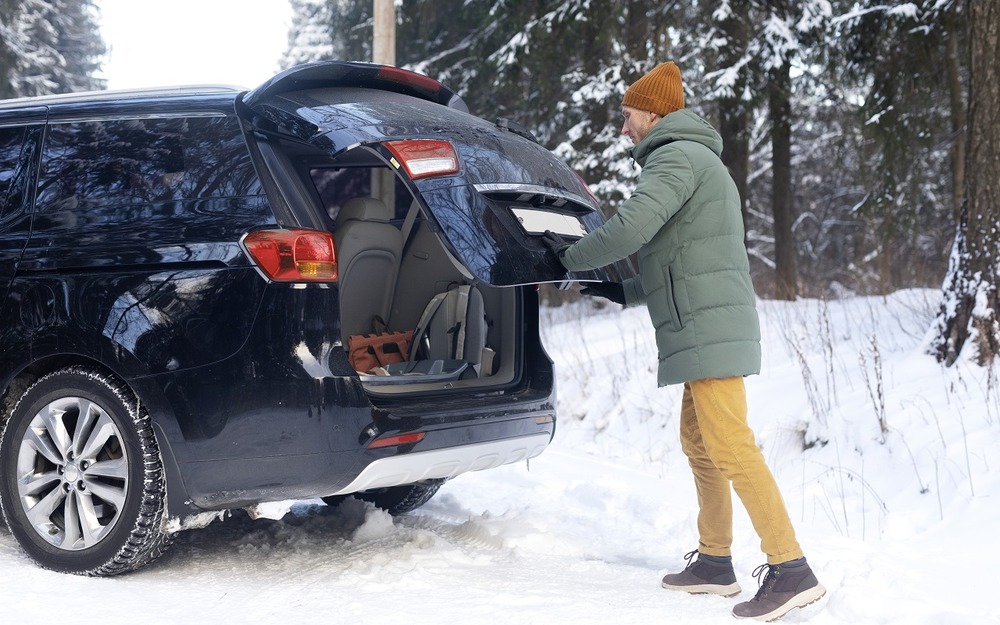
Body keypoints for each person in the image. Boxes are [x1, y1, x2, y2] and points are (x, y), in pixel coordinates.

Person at [542, 61, 826, 622]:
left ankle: (791, 568)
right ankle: (716, 562)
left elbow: (630, 228)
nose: (623, 128)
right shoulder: (692, 161)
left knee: (730, 445)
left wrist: (567, 259)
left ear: (654, 113)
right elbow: (675, 258)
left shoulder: (676, 157)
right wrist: (620, 292)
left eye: (627, 116)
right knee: (701, 444)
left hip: (707, 325)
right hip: (700, 322)